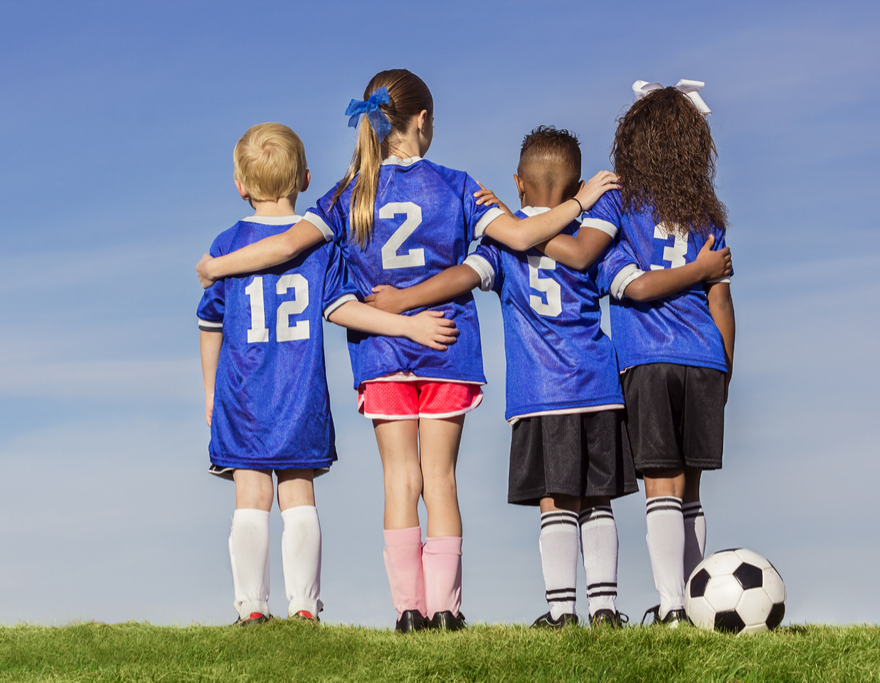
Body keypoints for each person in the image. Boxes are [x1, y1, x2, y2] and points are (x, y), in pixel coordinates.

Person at [195, 69, 617, 632]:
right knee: (440, 480)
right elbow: (520, 238)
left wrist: (218, 265)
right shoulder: (458, 184)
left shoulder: (347, 195)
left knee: (400, 481)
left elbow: (287, 242)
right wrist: (581, 201)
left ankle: (407, 612)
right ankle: (447, 608)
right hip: (448, 347)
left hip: (380, 354)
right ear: (422, 121)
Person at [365, 126, 730, 629]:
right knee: (597, 499)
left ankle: (561, 611)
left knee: (555, 502)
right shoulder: (591, 244)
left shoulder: (504, 245)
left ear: (517, 184)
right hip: (600, 388)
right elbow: (622, 282)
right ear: (578, 184)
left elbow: (460, 278)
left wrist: (403, 300)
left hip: (540, 395)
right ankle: (605, 609)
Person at [198, 122, 459, 627]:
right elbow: (345, 310)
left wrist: (211, 391)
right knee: (299, 492)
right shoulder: (318, 247)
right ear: (305, 179)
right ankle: (304, 607)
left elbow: (210, 326)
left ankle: (251, 608)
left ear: (240, 185)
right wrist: (407, 325)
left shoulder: (228, 246)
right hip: (301, 395)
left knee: (250, 494)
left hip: (243, 396)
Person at [588, 82, 736, 626]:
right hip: (705, 359)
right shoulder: (705, 215)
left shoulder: (620, 207)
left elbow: (637, 289)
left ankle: (675, 604)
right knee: (691, 487)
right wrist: (726, 370)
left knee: (662, 487)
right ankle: (697, 607)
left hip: (648, 360)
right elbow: (722, 302)